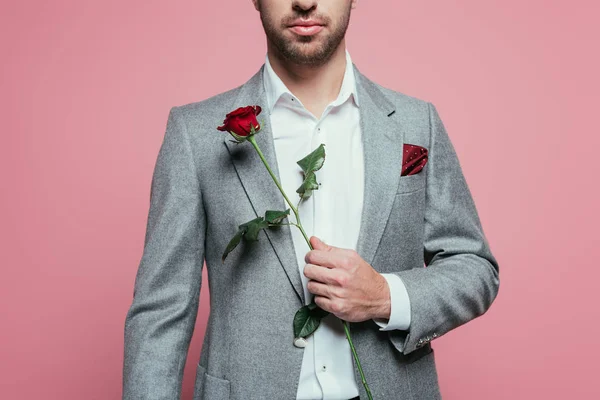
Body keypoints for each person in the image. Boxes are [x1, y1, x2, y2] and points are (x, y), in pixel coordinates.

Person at [122, 0, 500, 399]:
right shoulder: (195, 134)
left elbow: (474, 268)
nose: (305, 2)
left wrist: (385, 296)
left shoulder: (416, 122)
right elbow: (160, 313)